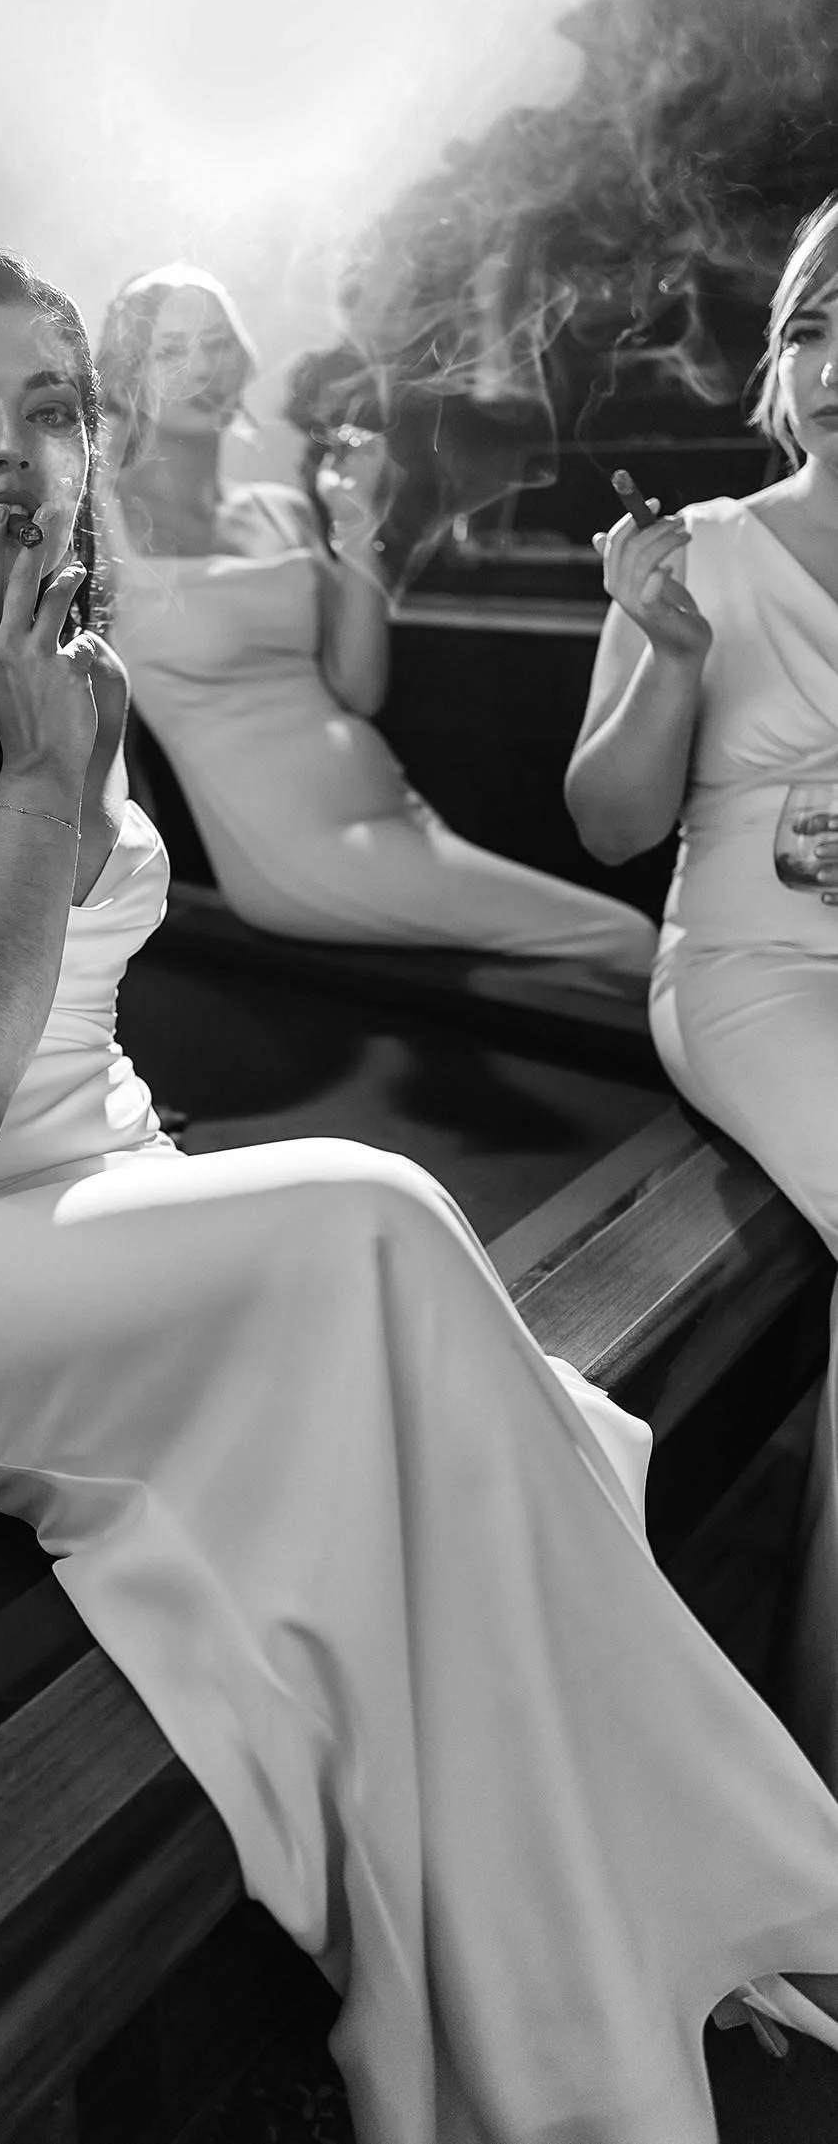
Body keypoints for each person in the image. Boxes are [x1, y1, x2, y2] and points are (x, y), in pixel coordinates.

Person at [0, 245, 838, 2144]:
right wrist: (44, 767)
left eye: (52, 406)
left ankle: (641, 1917)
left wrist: (66, 742)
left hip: (99, 1196)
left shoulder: (79, 674)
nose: (13, 449)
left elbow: (90, 1063)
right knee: (380, 1220)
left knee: (403, 1349)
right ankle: (687, 1916)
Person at [566, 191, 838, 1791]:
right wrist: (661, 651)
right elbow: (607, 822)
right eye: (810, 323)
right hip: (752, 976)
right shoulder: (705, 555)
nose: (831, 358)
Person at [97, 265, 658, 974]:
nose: (204, 366)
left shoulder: (283, 508)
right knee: (624, 941)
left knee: (594, 956)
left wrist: (356, 528)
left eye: (216, 342)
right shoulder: (101, 525)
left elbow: (357, 689)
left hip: (396, 811)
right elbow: (97, 732)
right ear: (123, 378)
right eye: (171, 351)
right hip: (297, 851)